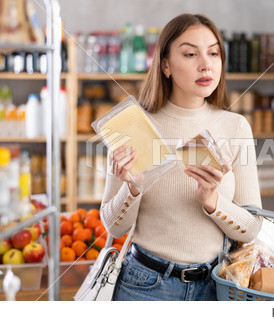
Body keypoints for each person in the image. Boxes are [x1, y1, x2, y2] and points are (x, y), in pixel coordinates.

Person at [100, 13, 262, 301]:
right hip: (144, 287)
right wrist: (133, 186)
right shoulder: (135, 125)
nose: (206, 64)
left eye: (213, 53)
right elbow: (114, 226)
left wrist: (212, 202)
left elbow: (251, 228)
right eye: (190, 53)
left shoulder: (235, 126)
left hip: (216, 287)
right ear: (165, 65)